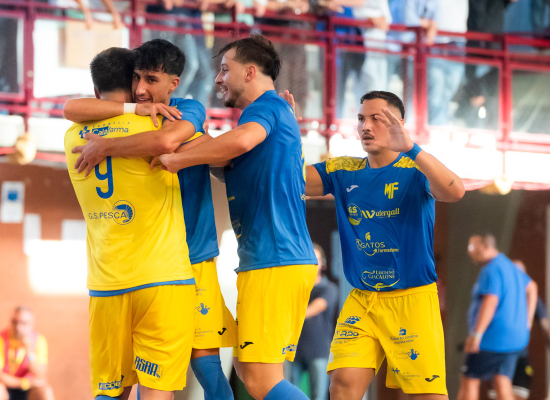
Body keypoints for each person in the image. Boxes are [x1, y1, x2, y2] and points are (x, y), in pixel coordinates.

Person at [64, 39, 237, 400]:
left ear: (173, 84)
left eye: (151, 80)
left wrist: (105, 146)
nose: (142, 89)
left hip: (192, 253)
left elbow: (170, 143)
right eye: (137, 78)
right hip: (160, 269)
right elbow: (71, 107)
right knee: (152, 378)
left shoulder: (185, 109)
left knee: (205, 362)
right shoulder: (134, 117)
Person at [159, 35, 318, 400]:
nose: (218, 78)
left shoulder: (266, 108)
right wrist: (192, 142)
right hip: (272, 259)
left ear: (249, 72)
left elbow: (241, 141)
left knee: (260, 380)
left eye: (224, 69)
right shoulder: (273, 113)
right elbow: (225, 160)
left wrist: (178, 158)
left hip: (275, 259)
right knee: (250, 373)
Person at [303, 90, 465, 399]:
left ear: (398, 124)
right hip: (362, 299)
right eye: (361, 118)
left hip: (411, 301)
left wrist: (412, 148)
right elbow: (286, 179)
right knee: (342, 385)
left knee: (426, 396)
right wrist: (283, 133)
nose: (366, 126)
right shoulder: (343, 170)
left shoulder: (415, 169)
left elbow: (455, 191)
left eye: (376, 118)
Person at [457, 234, 537, 400]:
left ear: (485, 246)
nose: (470, 251)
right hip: (515, 341)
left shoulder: (491, 269)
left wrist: (477, 334)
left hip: (492, 339)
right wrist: (527, 321)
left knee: (469, 381)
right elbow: (532, 287)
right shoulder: (510, 266)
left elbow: (490, 301)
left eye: (472, 246)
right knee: (502, 383)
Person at [486, 260, 550, 400]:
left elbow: (546, 327)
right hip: (499, 357)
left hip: (520, 358)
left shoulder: (532, 299)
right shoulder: (497, 297)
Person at [290, 244, 339, 400]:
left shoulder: (329, 289)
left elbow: (315, 308)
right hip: (292, 350)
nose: (311, 264)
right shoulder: (294, 288)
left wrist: (288, 314)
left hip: (319, 351)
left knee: (318, 396)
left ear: (322, 263)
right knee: (287, 395)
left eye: (315, 260)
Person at [0, 307, 54, 400]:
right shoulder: (2, 338)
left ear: (31, 325)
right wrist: (24, 383)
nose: (18, 327)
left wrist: (29, 351)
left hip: (29, 389)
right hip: (6, 386)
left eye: (23, 323)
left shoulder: (38, 340)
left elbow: (40, 374)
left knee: (45, 391)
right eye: (15, 322)